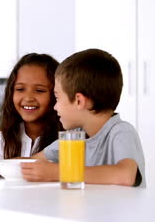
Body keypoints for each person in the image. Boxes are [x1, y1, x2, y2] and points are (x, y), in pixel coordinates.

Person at [21, 48, 146, 187]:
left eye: (57, 98)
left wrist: (59, 172)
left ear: (79, 101)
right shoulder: (75, 137)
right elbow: (30, 162)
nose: (55, 107)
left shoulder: (121, 131)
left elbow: (127, 176)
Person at [0, 53, 61, 178]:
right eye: (20, 89)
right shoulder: (3, 139)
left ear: (58, 94)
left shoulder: (67, 139)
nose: (28, 98)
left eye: (39, 90)